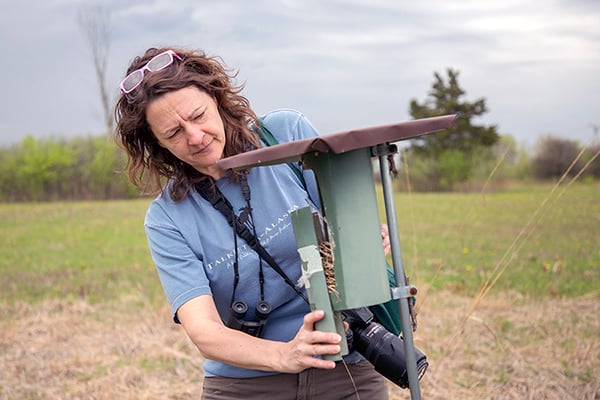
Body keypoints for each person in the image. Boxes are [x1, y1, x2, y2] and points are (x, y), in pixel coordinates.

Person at [114, 47, 391, 399]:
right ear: (156, 144)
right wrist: (284, 354)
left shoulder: (287, 133)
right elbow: (205, 331)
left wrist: (365, 240)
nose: (195, 137)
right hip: (243, 385)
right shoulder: (166, 218)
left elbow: (344, 226)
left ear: (217, 98)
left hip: (347, 364)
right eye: (174, 133)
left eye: (198, 116)